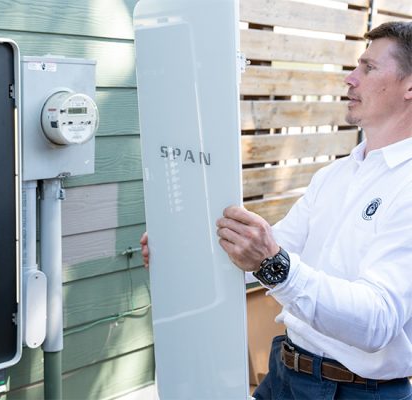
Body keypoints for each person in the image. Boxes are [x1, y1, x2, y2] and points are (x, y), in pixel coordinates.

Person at [141, 21, 412, 399]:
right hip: (285, 371)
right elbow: (273, 249)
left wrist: (276, 265)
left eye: (368, 68)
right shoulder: (336, 174)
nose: (350, 78)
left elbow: (377, 321)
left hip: (353, 391)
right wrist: (184, 256)